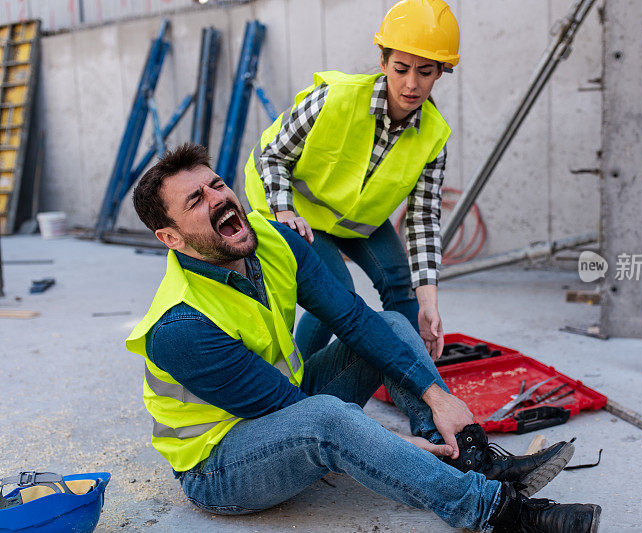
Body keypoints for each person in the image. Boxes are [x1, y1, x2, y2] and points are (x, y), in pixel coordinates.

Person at [125, 144, 601, 532]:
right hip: (220, 464)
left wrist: (437, 396)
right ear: (172, 238)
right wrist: (382, 444)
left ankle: (466, 456)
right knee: (329, 420)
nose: (219, 198)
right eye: (196, 200)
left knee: (390, 325)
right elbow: (283, 408)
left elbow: (353, 319)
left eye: (217, 184)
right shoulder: (179, 325)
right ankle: (496, 513)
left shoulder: (273, 241)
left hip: (290, 401)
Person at [243, 0, 459, 360]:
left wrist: (429, 301)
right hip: (288, 204)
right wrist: (284, 215)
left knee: (400, 283)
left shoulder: (434, 138)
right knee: (335, 293)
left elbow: (422, 221)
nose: (411, 84)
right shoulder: (334, 99)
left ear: (440, 73)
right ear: (384, 62)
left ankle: (412, 383)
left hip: (352, 218)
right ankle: (300, 388)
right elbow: (273, 157)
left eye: (424, 72)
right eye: (401, 68)